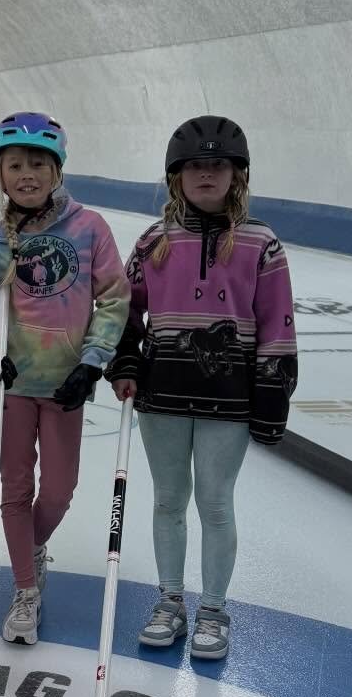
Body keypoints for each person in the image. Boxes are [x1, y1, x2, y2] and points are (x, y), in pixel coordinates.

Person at [107, 116, 298, 660]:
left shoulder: (262, 244)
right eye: (195, 166)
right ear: (177, 177)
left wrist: (271, 392)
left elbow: (277, 322)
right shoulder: (155, 241)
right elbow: (123, 307)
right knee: (169, 500)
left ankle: (213, 608)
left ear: (236, 175)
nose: (206, 174)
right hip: (163, 394)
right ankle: (170, 601)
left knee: (215, 502)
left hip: (228, 399)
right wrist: (125, 359)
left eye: (218, 165)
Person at [0, 113, 130, 644]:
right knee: (15, 489)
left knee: (59, 490)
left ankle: (29, 551)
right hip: (15, 388)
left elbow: (114, 298)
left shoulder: (89, 228)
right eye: (15, 165)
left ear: (57, 170)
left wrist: (93, 361)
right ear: (0, 174)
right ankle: (26, 591)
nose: (27, 173)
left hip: (65, 387)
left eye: (39, 163)